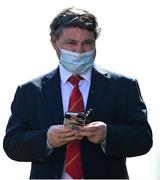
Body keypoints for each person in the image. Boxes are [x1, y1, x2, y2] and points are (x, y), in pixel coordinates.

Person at [3, 7, 153, 179]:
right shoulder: (30, 91)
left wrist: (107, 135)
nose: (80, 51)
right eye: (71, 43)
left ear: (96, 43)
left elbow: (144, 139)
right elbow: (12, 144)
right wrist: (46, 139)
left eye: (87, 43)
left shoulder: (123, 86)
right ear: (54, 42)